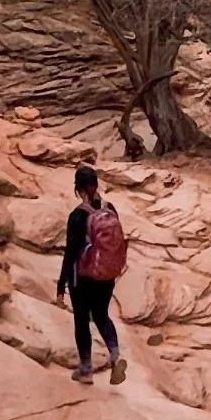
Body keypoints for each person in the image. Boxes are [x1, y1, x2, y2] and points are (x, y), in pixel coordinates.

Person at [56, 165, 128, 385]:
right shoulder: (110, 209)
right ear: (96, 185)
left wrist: (61, 286)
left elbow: (71, 253)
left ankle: (86, 368)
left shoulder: (78, 215)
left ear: (79, 189)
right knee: (101, 315)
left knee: (81, 319)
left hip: (83, 276)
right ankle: (116, 356)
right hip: (107, 275)